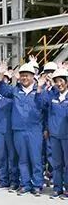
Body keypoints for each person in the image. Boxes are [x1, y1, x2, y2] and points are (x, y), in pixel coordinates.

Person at [0, 62, 49, 196]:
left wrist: (39, 90)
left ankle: (37, 185)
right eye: (22, 75)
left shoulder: (40, 90)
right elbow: (2, 89)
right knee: (23, 159)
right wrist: (1, 74)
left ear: (33, 76)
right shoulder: (15, 90)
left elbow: (44, 105)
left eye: (27, 75)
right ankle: (25, 184)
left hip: (34, 130)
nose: (24, 78)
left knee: (36, 159)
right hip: (18, 130)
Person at [47, 68, 68, 198]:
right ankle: (57, 187)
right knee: (57, 164)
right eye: (56, 81)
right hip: (54, 136)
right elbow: (48, 113)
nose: (59, 84)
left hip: (66, 136)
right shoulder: (53, 97)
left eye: (61, 81)